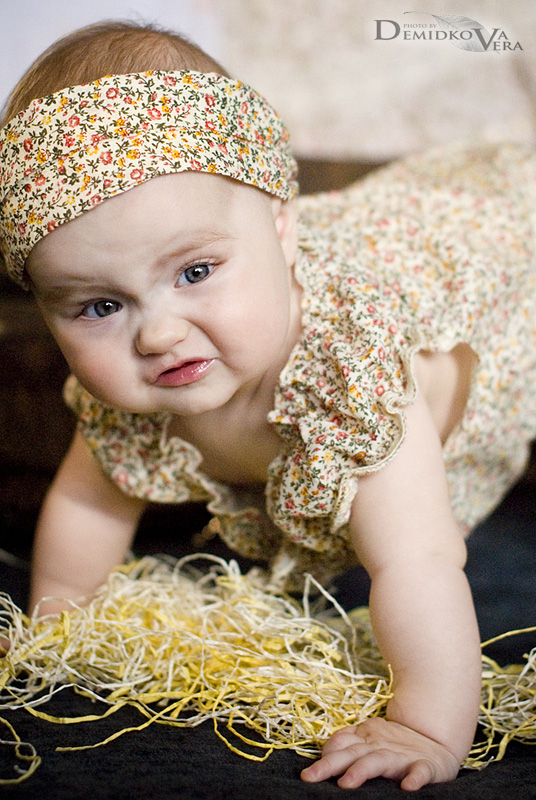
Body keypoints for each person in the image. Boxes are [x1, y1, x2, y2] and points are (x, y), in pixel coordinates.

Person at [1, 20, 535, 792]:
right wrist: (57, 624)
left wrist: (426, 725)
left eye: (195, 272)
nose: (158, 333)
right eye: (99, 307)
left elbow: (418, 559)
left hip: (499, 254)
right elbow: (89, 500)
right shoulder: (127, 395)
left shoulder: (352, 372)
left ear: (283, 231)